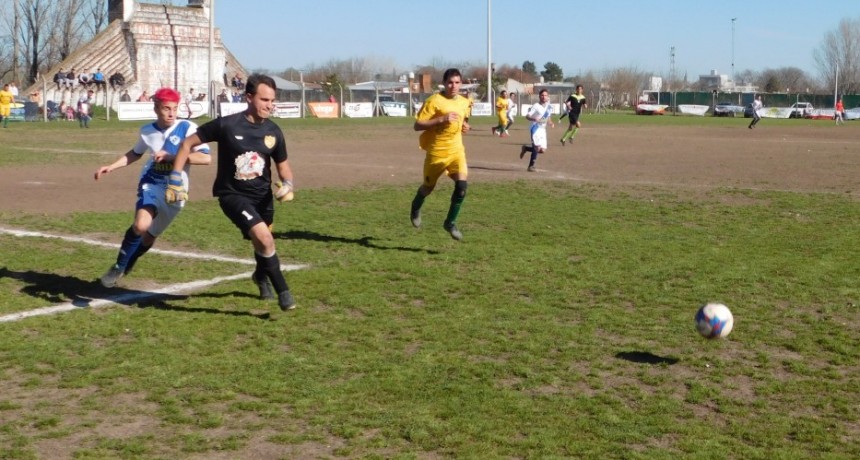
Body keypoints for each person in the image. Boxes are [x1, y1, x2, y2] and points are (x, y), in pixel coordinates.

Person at [168, 73, 298, 311]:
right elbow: (187, 143)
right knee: (265, 239)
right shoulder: (227, 125)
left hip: (263, 197)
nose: (269, 105)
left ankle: (260, 276)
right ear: (249, 97)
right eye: (264, 99)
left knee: (262, 244)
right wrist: (175, 178)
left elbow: (283, 166)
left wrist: (288, 184)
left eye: (272, 100)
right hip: (232, 195)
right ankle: (284, 292)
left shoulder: (274, 131)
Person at [95, 88, 211, 288]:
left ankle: (130, 261)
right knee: (141, 225)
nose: (171, 113)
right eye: (166, 108)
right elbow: (135, 153)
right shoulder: (147, 131)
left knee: (149, 237)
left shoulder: (188, 128)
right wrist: (112, 166)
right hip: (152, 182)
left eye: (175, 108)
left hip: (176, 191)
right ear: (156, 108)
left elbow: (206, 158)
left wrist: (173, 157)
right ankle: (118, 266)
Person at [409, 68, 472, 241]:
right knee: (427, 188)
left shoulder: (464, 102)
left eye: (457, 82)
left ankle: (450, 223)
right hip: (437, 153)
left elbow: (463, 120)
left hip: (456, 151)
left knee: (462, 188)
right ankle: (415, 207)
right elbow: (417, 125)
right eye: (450, 82)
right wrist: (440, 119)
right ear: (444, 83)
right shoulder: (434, 101)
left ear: (461, 83)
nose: (454, 86)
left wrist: (465, 126)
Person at [519, 89, 555, 172]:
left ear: (548, 96)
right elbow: (527, 116)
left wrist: (551, 123)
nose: (543, 97)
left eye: (545, 95)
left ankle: (526, 148)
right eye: (542, 95)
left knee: (542, 150)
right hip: (535, 128)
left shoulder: (548, 107)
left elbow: (548, 117)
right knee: (537, 147)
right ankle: (531, 166)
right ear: (539, 96)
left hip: (543, 130)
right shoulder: (536, 106)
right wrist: (533, 118)